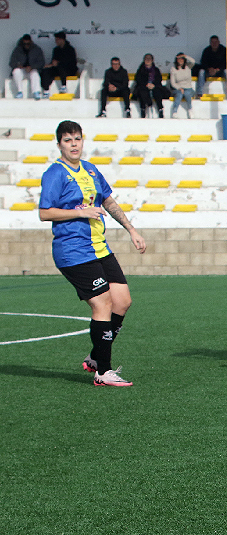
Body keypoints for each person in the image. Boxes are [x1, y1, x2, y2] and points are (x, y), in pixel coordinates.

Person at [38, 120, 147, 387]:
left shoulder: (90, 169)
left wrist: (131, 229)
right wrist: (81, 212)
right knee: (102, 303)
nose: (73, 144)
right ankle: (103, 372)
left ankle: (96, 356)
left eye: (77, 139)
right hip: (73, 250)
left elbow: (108, 200)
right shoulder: (55, 173)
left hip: (99, 247)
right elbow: (44, 212)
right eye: (67, 140)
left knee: (122, 301)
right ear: (59, 145)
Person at [40, 31, 78, 96]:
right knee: (46, 71)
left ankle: (64, 86)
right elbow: (53, 61)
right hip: (58, 69)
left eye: (57, 40)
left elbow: (72, 62)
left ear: (62, 40)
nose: (56, 41)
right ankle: (46, 90)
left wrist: (58, 63)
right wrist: (50, 65)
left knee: (61, 66)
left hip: (69, 70)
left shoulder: (70, 49)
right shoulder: (56, 50)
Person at [9, 34, 44, 100]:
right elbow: (11, 63)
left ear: (31, 42)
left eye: (28, 44)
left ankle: (36, 92)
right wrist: (18, 65)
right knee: (16, 71)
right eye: (24, 44)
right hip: (22, 70)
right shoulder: (17, 50)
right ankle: (20, 92)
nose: (26, 45)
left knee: (35, 74)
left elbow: (41, 63)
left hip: (32, 70)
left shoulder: (37, 49)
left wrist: (32, 67)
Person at [132, 53, 167, 118]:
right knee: (142, 92)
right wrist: (146, 84)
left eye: (149, 59)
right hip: (143, 86)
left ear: (152, 60)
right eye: (146, 59)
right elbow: (138, 80)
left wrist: (153, 85)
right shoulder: (140, 70)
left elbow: (159, 79)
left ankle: (160, 109)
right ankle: (143, 109)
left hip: (154, 86)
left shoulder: (156, 70)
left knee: (158, 92)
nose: (148, 60)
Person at [169, 53, 194, 119]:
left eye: (182, 59)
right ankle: (175, 112)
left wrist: (185, 56)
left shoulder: (188, 67)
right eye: (179, 59)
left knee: (187, 93)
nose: (180, 60)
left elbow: (193, 61)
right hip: (178, 88)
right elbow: (173, 82)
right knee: (179, 94)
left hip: (188, 88)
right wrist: (179, 88)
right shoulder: (173, 69)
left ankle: (190, 109)